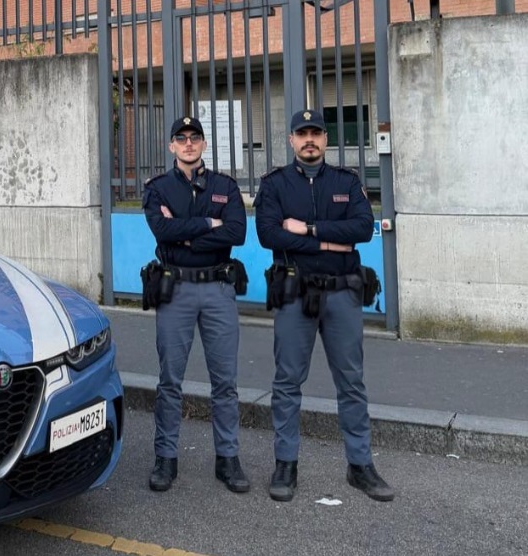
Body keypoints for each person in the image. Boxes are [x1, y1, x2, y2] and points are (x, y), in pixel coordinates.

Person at [253, 109, 394, 502]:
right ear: (291, 140)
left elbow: (362, 228)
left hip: (342, 295)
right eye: (302, 134)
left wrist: (309, 229)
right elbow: (268, 235)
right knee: (287, 382)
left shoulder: (346, 182)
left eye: (316, 133)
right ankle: (285, 464)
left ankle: (360, 466)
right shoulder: (274, 185)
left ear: (325, 139)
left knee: (351, 382)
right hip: (295, 294)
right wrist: (332, 243)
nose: (309, 140)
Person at [141, 116, 248, 493]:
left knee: (225, 382)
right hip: (177, 291)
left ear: (204, 144)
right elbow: (162, 232)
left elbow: (237, 233)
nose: (188, 143)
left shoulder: (225, 186)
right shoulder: (158, 189)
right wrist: (210, 224)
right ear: (172, 145)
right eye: (181, 138)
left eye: (195, 137)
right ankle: (165, 458)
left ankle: (228, 459)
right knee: (170, 380)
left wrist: (186, 233)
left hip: (218, 289)